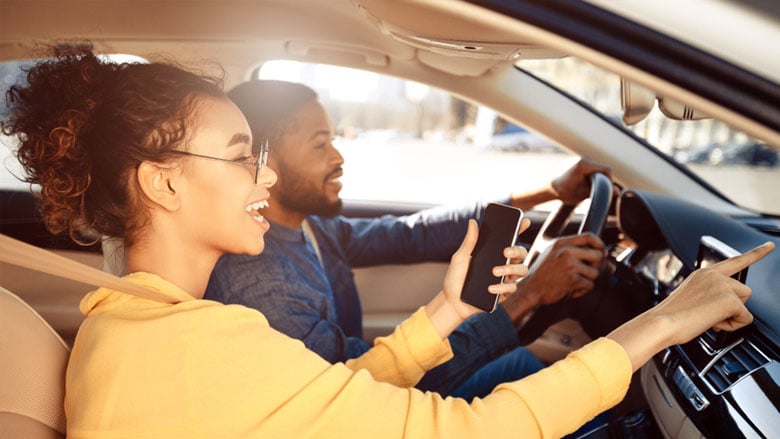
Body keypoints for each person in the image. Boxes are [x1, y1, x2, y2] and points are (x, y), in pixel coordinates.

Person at [5, 45, 772, 438]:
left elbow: (322, 393)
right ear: (163, 183)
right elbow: (475, 429)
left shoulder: (136, 323)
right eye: (241, 156)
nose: (263, 177)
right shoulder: (201, 341)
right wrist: (663, 322)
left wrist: (446, 311)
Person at [206, 79, 609, 399]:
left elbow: (412, 234)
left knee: (523, 368)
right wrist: (529, 295)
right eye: (320, 144)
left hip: (382, 388)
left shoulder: (311, 226)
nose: (338, 157)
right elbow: (365, 391)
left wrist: (548, 192)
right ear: (266, 161)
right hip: (370, 406)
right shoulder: (260, 280)